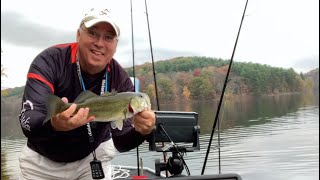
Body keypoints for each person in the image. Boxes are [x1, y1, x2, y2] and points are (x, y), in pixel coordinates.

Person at [18, 7, 156, 180]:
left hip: (93, 157)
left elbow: (121, 142)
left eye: (108, 37)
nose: (99, 43)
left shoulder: (120, 79)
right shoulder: (49, 61)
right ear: (78, 35)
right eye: (92, 33)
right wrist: (54, 125)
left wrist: (142, 131)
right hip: (42, 163)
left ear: (115, 44)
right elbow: (28, 122)